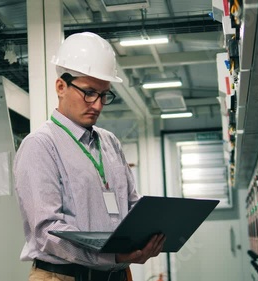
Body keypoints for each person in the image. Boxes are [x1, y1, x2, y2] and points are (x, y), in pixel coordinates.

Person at [13, 32, 165, 281]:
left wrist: (151, 231)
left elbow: (132, 205)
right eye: (89, 92)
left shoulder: (110, 143)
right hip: (63, 276)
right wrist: (112, 256)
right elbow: (47, 232)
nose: (97, 104)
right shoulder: (40, 146)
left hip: (115, 273)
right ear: (60, 86)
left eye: (104, 95)